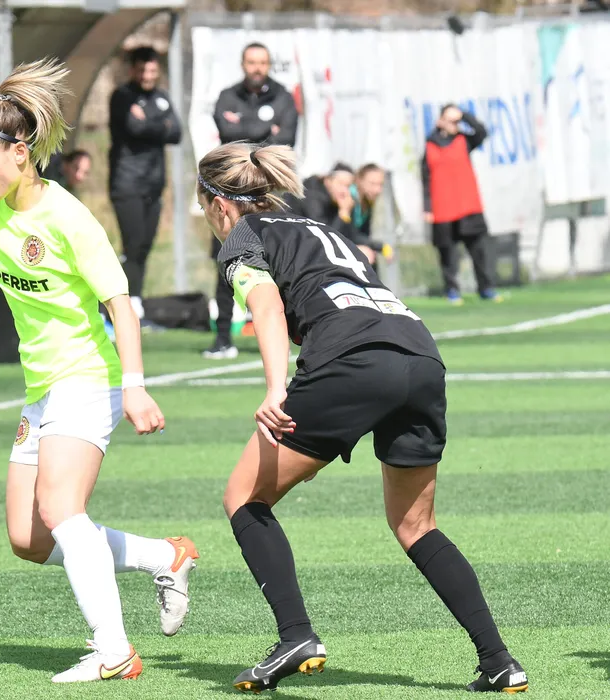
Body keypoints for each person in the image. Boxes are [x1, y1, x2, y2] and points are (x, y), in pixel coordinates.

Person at [0, 58, 199, 684]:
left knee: (61, 508)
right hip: (43, 388)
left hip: (88, 378)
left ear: (20, 152)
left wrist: (135, 388)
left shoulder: (68, 218)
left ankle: (114, 652)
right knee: (29, 539)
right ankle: (166, 556)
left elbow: (121, 305)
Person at [195, 142, 527, 694]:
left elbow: (266, 307)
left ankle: (296, 635)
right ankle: (499, 661)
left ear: (218, 204)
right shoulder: (322, 229)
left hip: (353, 360)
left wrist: (276, 387)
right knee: (416, 525)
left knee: (244, 498)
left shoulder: (243, 237)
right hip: (420, 355)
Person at [205, 42, 297, 360]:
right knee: (226, 260)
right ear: (243, 64)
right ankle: (222, 337)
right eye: (251, 62)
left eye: (262, 62)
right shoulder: (227, 96)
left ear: (269, 65)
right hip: (230, 192)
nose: (257, 67)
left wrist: (246, 130)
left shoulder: (283, 97)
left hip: (269, 195)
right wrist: (265, 131)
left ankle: (285, 335)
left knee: (277, 262)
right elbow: (227, 133)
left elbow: (286, 140)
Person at [108, 46, 182, 323]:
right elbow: (134, 128)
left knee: (145, 247)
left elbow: (176, 133)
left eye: (152, 70)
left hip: (154, 183)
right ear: (132, 70)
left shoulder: (162, 97)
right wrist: (161, 125)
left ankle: (135, 301)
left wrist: (151, 122)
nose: (147, 76)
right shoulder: (122, 96)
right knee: (133, 244)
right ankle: (121, 304)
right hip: (127, 182)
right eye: (142, 70)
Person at [422, 105, 501, 305]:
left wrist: (464, 115)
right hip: (443, 208)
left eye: (457, 121)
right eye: (450, 120)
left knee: (478, 251)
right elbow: (425, 179)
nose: (455, 125)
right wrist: (427, 208)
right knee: (448, 253)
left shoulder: (464, 140)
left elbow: (482, 132)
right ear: (440, 121)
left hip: (467, 206)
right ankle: (451, 290)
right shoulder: (429, 145)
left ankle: (485, 288)